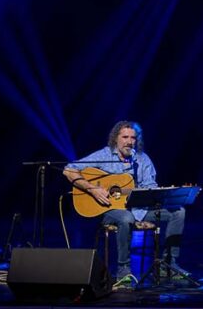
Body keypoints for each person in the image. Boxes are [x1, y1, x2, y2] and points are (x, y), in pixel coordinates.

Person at [64, 121, 187, 289]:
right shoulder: (104, 155)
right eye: (125, 137)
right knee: (126, 218)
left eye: (133, 138)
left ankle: (169, 265)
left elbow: (149, 186)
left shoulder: (142, 159)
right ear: (115, 138)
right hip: (110, 209)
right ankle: (123, 270)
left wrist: (158, 193)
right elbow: (69, 169)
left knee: (178, 212)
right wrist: (93, 190)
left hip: (139, 209)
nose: (129, 141)